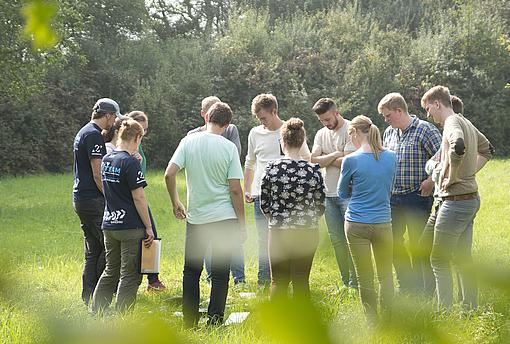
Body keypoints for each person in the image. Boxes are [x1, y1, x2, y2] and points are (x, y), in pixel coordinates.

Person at [164, 102, 246, 328]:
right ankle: (215, 322)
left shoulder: (188, 141)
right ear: (227, 124)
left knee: (191, 271)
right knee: (220, 274)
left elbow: (169, 175)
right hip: (224, 218)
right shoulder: (229, 147)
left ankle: (189, 322)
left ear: (207, 117)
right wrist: (242, 224)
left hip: (197, 218)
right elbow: (236, 189)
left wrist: (176, 202)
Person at [421, 86, 494, 310]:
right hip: (466, 198)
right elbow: (488, 149)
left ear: (437, 104)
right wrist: (466, 175)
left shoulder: (452, 123)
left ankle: (444, 312)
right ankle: (469, 308)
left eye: (427, 109)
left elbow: (458, 147)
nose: (428, 115)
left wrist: (452, 177)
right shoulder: (466, 122)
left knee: (438, 259)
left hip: (456, 201)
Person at [378, 92, 442, 294]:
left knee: (419, 246)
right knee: (393, 245)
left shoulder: (425, 130)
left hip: (417, 197)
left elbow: (444, 157)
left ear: (399, 110)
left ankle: (426, 290)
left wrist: (431, 181)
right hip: (393, 198)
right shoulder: (388, 133)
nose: (386, 119)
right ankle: (407, 286)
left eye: (388, 115)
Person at [244, 93, 311, 286]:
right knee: (264, 240)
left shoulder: (290, 131)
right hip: (261, 195)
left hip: (287, 196)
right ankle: (264, 282)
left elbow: (306, 158)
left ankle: (288, 280)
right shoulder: (255, 133)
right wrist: (247, 188)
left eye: (263, 117)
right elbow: (250, 162)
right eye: (258, 119)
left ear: (274, 111)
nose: (261, 122)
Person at [338, 115, 397, 325]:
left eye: (349, 135)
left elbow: (342, 192)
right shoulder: (391, 157)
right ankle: (389, 318)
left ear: (354, 132)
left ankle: (372, 322)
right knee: (385, 275)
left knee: (365, 277)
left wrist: (356, 186)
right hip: (383, 222)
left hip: (356, 224)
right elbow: (388, 187)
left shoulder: (351, 160)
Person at [91, 119, 155, 313]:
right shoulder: (129, 163)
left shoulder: (107, 159)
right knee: (130, 275)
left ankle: (97, 310)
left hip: (109, 225)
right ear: (136, 137)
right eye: (140, 139)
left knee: (111, 270)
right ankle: (123, 316)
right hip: (130, 227)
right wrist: (149, 227)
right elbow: (139, 198)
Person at [260, 118, 325, 300]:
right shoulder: (313, 171)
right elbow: (320, 206)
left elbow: (264, 204)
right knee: (301, 281)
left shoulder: (271, 170)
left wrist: (277, 219)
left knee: (278, 282)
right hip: (307, 232)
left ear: (282, 142)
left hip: (279, 231)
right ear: (302, 141)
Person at [188, 96, 246, 286]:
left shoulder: (230, 130)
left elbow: (235, 156)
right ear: (204, 114)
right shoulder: (192, 135)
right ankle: (212, 276)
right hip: (203, 198)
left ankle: (239, 278)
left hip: (227, 191)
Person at [73, 98, 123, 305]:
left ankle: (88, 296)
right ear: (109, 115)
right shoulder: (94, 135)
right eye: (114, 117)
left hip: (81, 198)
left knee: (93, 250)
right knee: (108, 249)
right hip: (93, 199)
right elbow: (97, 173)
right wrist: (111, 197)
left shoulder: (83, 131)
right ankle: (100, 297)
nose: (114, 122)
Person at [418, 94, 466, 297]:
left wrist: (444, 173)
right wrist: (436, 167)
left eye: (430, 110)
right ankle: (443, 297)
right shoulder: (450, 134)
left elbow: (437, 167)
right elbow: (434, 162)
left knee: (443, 257)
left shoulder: (454, 130)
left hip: (450, 199)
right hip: (444, 199)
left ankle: (444, 305)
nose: (430, 115)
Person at [311, 98, 358, 289]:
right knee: (337, 240)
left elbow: (349, 161)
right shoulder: (321, 134)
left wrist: (326, 159)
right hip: (328, 194)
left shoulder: (351, 129)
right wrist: (335, 154)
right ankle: (345, 281)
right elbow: (312, 159)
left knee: (352, 239)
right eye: (322, 121)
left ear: (336, 112)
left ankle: (356, 282)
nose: (326, 124)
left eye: (328, 119)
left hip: (347, 193)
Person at [126, 111, 166, 291]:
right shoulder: (128, 149)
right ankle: (152, 281)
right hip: (131, 197)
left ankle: (152, 280)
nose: (143, 134)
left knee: (152, 237)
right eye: (142, 130)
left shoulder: (138, 146)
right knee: (150, 235)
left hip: (138, 192)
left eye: (146, 130)